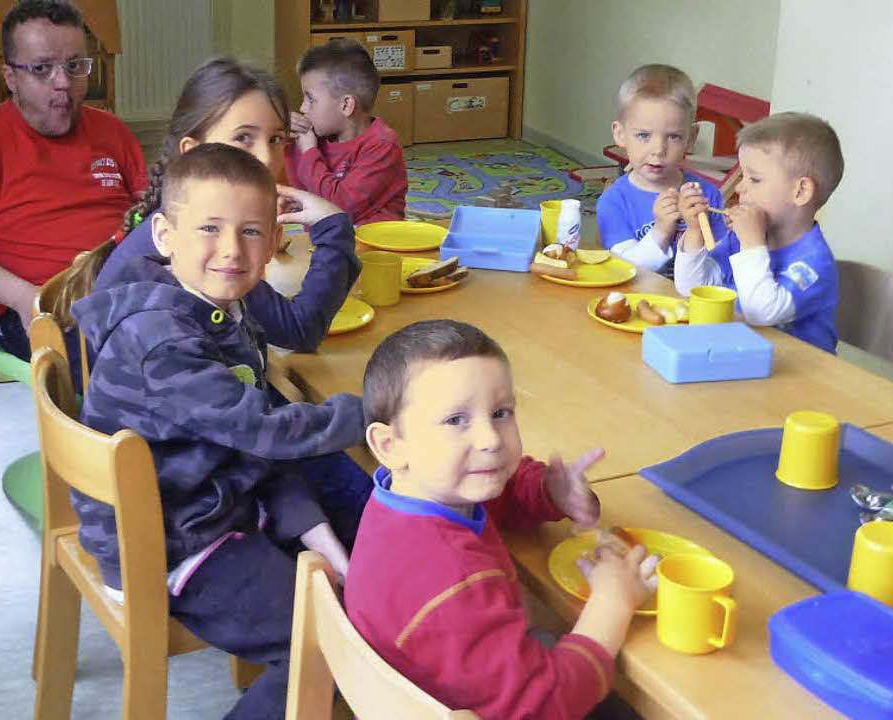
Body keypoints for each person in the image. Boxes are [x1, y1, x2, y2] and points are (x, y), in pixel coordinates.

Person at [71, 144, 366, 720]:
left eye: (253, 231)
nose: (232, 250)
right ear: (164, 236)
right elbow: (265, 432)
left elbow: (256, 452)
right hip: (170, 542)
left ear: (275, 241)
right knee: (328, 644)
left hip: (213, 502)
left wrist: (325, 544)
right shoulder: (163, 342)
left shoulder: (218, 312)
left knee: (358, 573)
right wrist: (379, 408)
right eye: (209, 228)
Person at [345, 319, 657, 719]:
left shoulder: (408, 493)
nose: (491, 439)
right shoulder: (455, 585)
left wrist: (549, 491)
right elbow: (545, 706)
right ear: (389, 445)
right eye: (456, 420)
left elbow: (500, 493)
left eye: (500, 412)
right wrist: (614, 601)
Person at [0, 0, 146, 360]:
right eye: (41, 68)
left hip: (132, 292)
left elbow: (147, 211)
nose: (63, 83)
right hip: (43, 308)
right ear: (11, 78)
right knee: (133, 359)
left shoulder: (112, 131)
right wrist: (25, 297)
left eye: (75, 66)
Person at [95, 58, 355, 354]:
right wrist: (333, 227)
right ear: (192, 151)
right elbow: (299, 329)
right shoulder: (196, 247)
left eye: (275, 139)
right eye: (243, 138)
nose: (267, 159)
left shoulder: (189, 223)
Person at [675, 112, 844, 354]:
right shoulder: (743, 238)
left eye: (754, 179)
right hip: (746, 358)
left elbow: (760, 312)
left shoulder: (813, 264)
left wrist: (752, 244)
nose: (741, 188)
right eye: (743, 176)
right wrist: (694, 232)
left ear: (800, 191)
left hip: (803, 376)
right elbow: (693, 287)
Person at [596, 64, 728, 276]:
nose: (658, 150)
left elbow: (722, 265)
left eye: (673, 137)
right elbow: (623, 271)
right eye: (644, 135)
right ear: (620, 134)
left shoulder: (707, 195)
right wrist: (661, 230)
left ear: (691, 138)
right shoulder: (613, 201)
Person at [285, 38, 407, 225]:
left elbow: (338, 210)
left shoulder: (382, 145)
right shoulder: (317, 136)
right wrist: (277, 127)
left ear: (346, 105)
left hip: (375, 248)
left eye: (310, 100)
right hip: (330, 244)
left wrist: (309, 152)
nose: (302, 108)